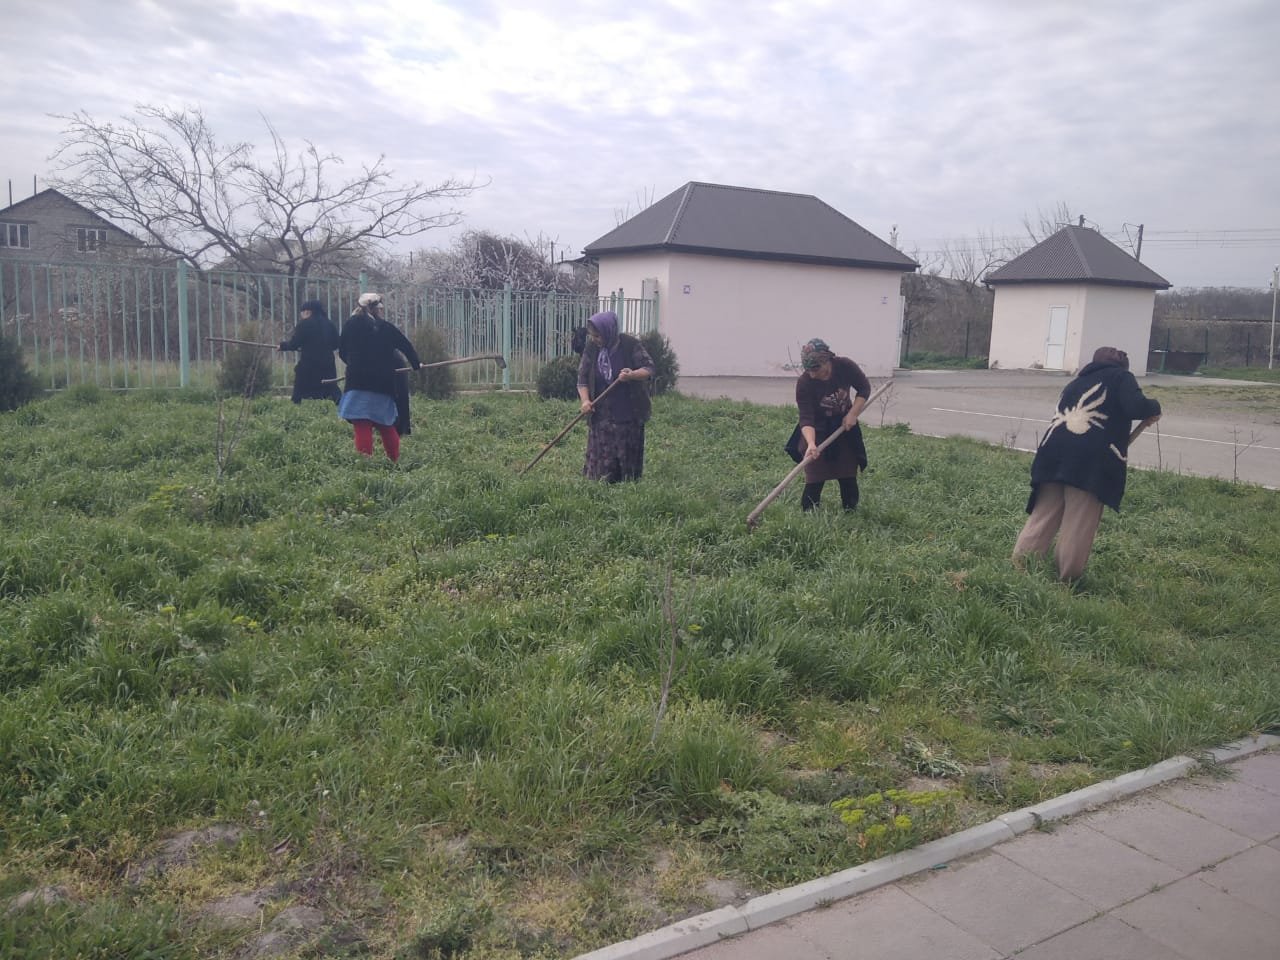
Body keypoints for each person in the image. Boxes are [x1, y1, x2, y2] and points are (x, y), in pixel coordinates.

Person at [1013, 346, 1162, 581]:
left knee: (1043, 515)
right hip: (1089, 462)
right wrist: (1154, 407)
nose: (1121, 352)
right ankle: (1066, 581)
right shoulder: (1121, 376)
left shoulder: (1074, 384)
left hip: (1051, 454)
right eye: (1116, 352)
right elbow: (1136, 406)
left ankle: (1021, 568)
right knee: (1079, 521)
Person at [337, 292, 422, 462]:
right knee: (385, 424)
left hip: (358, 383)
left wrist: (353, 365)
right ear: (377, 310)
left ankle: (365, 464)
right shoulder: (386, 328)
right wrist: (416, 364)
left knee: (362, 424)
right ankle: (394, 461)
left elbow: (342, 352)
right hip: (383, 383)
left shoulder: (350, 325)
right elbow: (405, 345)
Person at [791, 338, 871, 511]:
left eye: (816, 369)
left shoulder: (845, 366)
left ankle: (851, 513)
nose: (812, 374)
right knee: (815, 475)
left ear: (826, 360)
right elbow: (806, 417)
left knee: (848, 473)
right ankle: (809, 514)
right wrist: (811, 444)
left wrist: (852, 413)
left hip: (844, 428)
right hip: (817, 430)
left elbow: (864, 388)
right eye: (808, 370)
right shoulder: (804, 383)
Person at [577, 311, 655, 482]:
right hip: (601, 414)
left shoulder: (630, 345)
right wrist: (585, 401)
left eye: (598, 336)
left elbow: (649, 369)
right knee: (601, 466)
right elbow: (582, 379)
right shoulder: (591, 348)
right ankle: (600, 487)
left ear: (608, 332)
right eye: (592, 336)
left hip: (629, 412)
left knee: (627, 460)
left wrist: (632, 374)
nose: (594, 339)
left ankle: (628, 486)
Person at [279, 299, 341, 404]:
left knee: (300, 384)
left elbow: (295, 343)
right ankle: (338, 402)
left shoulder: (304, 324)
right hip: (327, 362)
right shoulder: (329, 324)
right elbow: (336, 344)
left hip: (309, 363)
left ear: (308, 312)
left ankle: (296, 403)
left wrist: (283, 346)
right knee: (331, 386)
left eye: (302, 313)